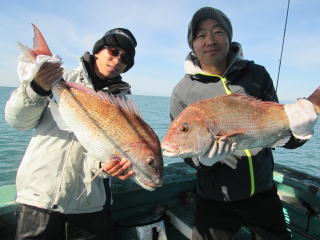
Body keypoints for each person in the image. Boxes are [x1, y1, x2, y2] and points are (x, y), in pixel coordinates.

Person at [169, 7, 318, 240]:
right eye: (200, 35)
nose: (210, 40)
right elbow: (188, 155)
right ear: (193, 45)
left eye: (218, 32)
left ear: (229, 37)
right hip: (215, 200)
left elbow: (280, 137)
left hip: (264, 193)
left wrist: (300, 131)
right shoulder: (182, 92)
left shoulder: (257, 74)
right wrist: (203, 161)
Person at [5, 28, 138, 240]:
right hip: (39, 198)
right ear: (98, 51)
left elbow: (105, 155)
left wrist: (106, 167)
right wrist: (37, 89)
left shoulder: (123, 106)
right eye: (113, 51)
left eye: (125, 59)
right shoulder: (57, 77)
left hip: (90, 206)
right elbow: (17, 121)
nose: (117, 60)